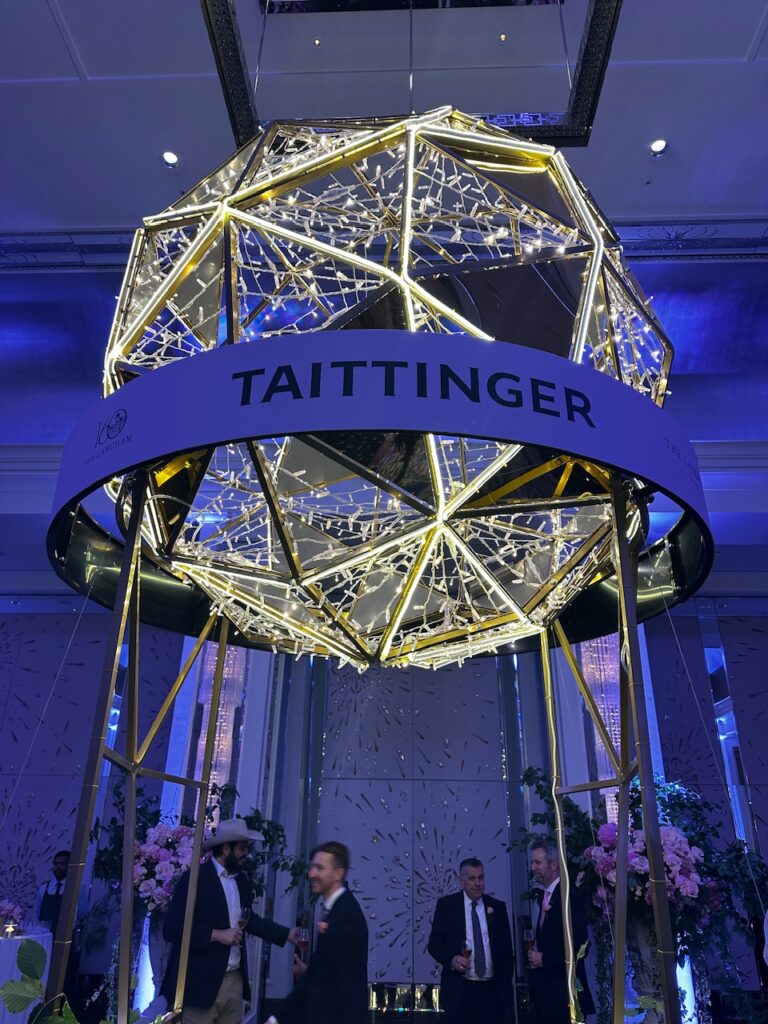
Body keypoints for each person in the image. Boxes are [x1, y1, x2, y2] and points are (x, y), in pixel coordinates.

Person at [161, 818, 301, 1024]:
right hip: (200, 984)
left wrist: (287, 934)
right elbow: (172, 928)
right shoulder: (196, 878)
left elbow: (248, 920)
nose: (247, 853)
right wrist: (217, 935)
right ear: (226, 848)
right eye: (243, 848)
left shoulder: (241, 880)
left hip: (234, 981)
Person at [271, 841, 368, 1024]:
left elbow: (347, 987)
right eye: (312, 867)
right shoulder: (335, 909)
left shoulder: (346, 916)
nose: (311, 874)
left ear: (338, 873)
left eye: (319, 868)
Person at [427, 857, 515, 1024]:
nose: (477, 883)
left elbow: (506, 951)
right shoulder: (447, 906)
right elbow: (434, 944)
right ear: (461, 881)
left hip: (493, 994)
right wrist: (451, 959)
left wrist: (504, 985)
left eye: (480, 878)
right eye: (472, 878)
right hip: (460, 992)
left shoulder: (497, 908)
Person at [527, 840, 595, 1024]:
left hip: (566, 996)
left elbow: (581, 946)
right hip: (549, 998)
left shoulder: (568, 897)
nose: (533, 868)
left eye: (538, 862)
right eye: (532, 863)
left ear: (554, 864)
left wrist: (544, 959)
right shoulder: (547, 896)